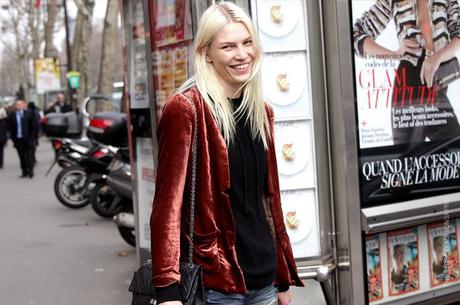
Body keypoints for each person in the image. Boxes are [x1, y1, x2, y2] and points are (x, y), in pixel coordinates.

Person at [150, 2, 303, 305]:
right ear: (207, 53)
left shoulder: (261, 111)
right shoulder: (186, 109)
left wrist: (282, 277)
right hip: (215, 285)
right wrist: (168, 289)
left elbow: (267, 202)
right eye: (228, 46)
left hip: (264, 281)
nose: (242, 54)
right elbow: (167, 207)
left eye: (247, 43)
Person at [353, 0, 460, 145]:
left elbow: (458, 33)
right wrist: (394, 54)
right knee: (407, 162)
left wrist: (437, 57)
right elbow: (355, 36)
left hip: (436, 85)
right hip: (407, 89)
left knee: (454, 154)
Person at [7, 99, 36, 178]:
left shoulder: (29, 114)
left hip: (27, 138)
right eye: (17, 105)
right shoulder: (12, 115)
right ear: (15, 106)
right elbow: (10, 128)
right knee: (21, 156)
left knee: (29, 155)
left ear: (24, 105)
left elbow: (33, 127)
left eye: (21, 104)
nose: (19, 106)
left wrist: (32, 138)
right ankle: (24, 171)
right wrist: (13, 139)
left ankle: (30, 171)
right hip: (18, 139)